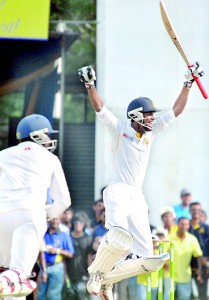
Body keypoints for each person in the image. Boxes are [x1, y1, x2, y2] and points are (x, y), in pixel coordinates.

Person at [78, 63, 204, 299]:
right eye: (148, 115)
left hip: (137, 196)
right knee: (119, 237)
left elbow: (176, 110)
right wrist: (89, 85)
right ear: (136, 115)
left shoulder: (151, 132)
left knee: (147, 259)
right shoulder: (120, 128)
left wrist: (188, 83)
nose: (151, 119)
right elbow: (100, 109)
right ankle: (96, 274)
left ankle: (107, 281)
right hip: (118, 191)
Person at [0, 114, 71, 298]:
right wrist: (45, 214)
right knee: (19, 273)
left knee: (12, 281)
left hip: (1, 216)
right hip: (29, 216)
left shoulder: (3, 155)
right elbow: (64, 201)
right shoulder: (50, 158)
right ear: (37, 135)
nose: (49, 139)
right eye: (47, 134)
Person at [164, 217, 203, 300]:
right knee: (167, 297)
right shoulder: (169, 237)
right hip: (169, 274)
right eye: (182, 224)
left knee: (185, 298)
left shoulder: (192, 239)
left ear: (189, 226)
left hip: (185, 275)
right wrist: (164, 263)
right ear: (178, 225)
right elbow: (161, 253)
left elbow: (199, 256)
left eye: (186, 224)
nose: (184, 226)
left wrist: (199, 271)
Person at [37, 217, 74, 300]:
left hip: (57, 268)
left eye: (57, 219)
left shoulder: (63, 235)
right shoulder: (42, 233)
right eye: (53, 219)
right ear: (48, 220)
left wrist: (57, 251)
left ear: (60, 220)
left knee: (54, 296)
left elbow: (70, 254)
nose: (55, 221)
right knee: (40, 295)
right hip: (42, 267)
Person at [65, 213, 93, 300]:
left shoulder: (88, 239)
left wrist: (90, 275)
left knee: (81, 294)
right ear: (73, 224)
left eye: (80, 223)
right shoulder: (68, 237)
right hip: (69, 274)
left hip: (83, 274)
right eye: (76, 222)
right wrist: (65, 275)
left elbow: (89, 257)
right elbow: (64, 259)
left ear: (84, 224)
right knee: (70, 295)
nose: (78, 225)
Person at [189, 202, 209, 299]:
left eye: (198, 209)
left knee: (202, 295)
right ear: (190, 211)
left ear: (201, 211)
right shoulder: (185, 227)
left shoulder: (206, 228)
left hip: (203, 267)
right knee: (188, 295)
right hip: (186, 267)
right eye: (193, 209)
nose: (195, 211)